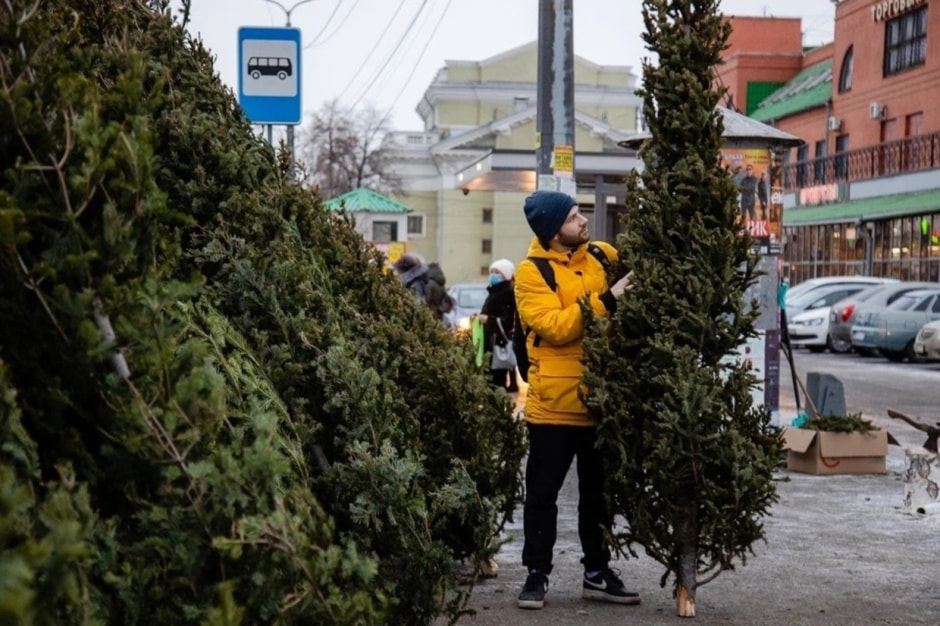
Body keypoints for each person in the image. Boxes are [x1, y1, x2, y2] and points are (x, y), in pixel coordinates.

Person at [514, 190, 639, 610]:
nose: (583, 221)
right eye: (572, 218)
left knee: (598, 497)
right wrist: (608, 300)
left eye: (579, 212)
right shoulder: (531, 273)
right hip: (553, 407)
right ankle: (536, 574)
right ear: (553, 233)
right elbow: (555, 327)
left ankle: (597, 572)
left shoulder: (602, 256)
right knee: (542, 496)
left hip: (601, 402)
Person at [477, 258, 519, 392]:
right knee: (490, 382)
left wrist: (488, 320)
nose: (493, 275)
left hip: (498, 345)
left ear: (505, 275)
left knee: (496, 383)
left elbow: (507, 321)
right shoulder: (494, 292)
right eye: (492, 271)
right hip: (491, 344)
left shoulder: (507, 294)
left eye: (497, 272)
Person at [392, 254, 452, 322]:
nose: (398, 274)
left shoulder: (416, 285)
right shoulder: (422, 281)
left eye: (398, 271)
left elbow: (417, 306)